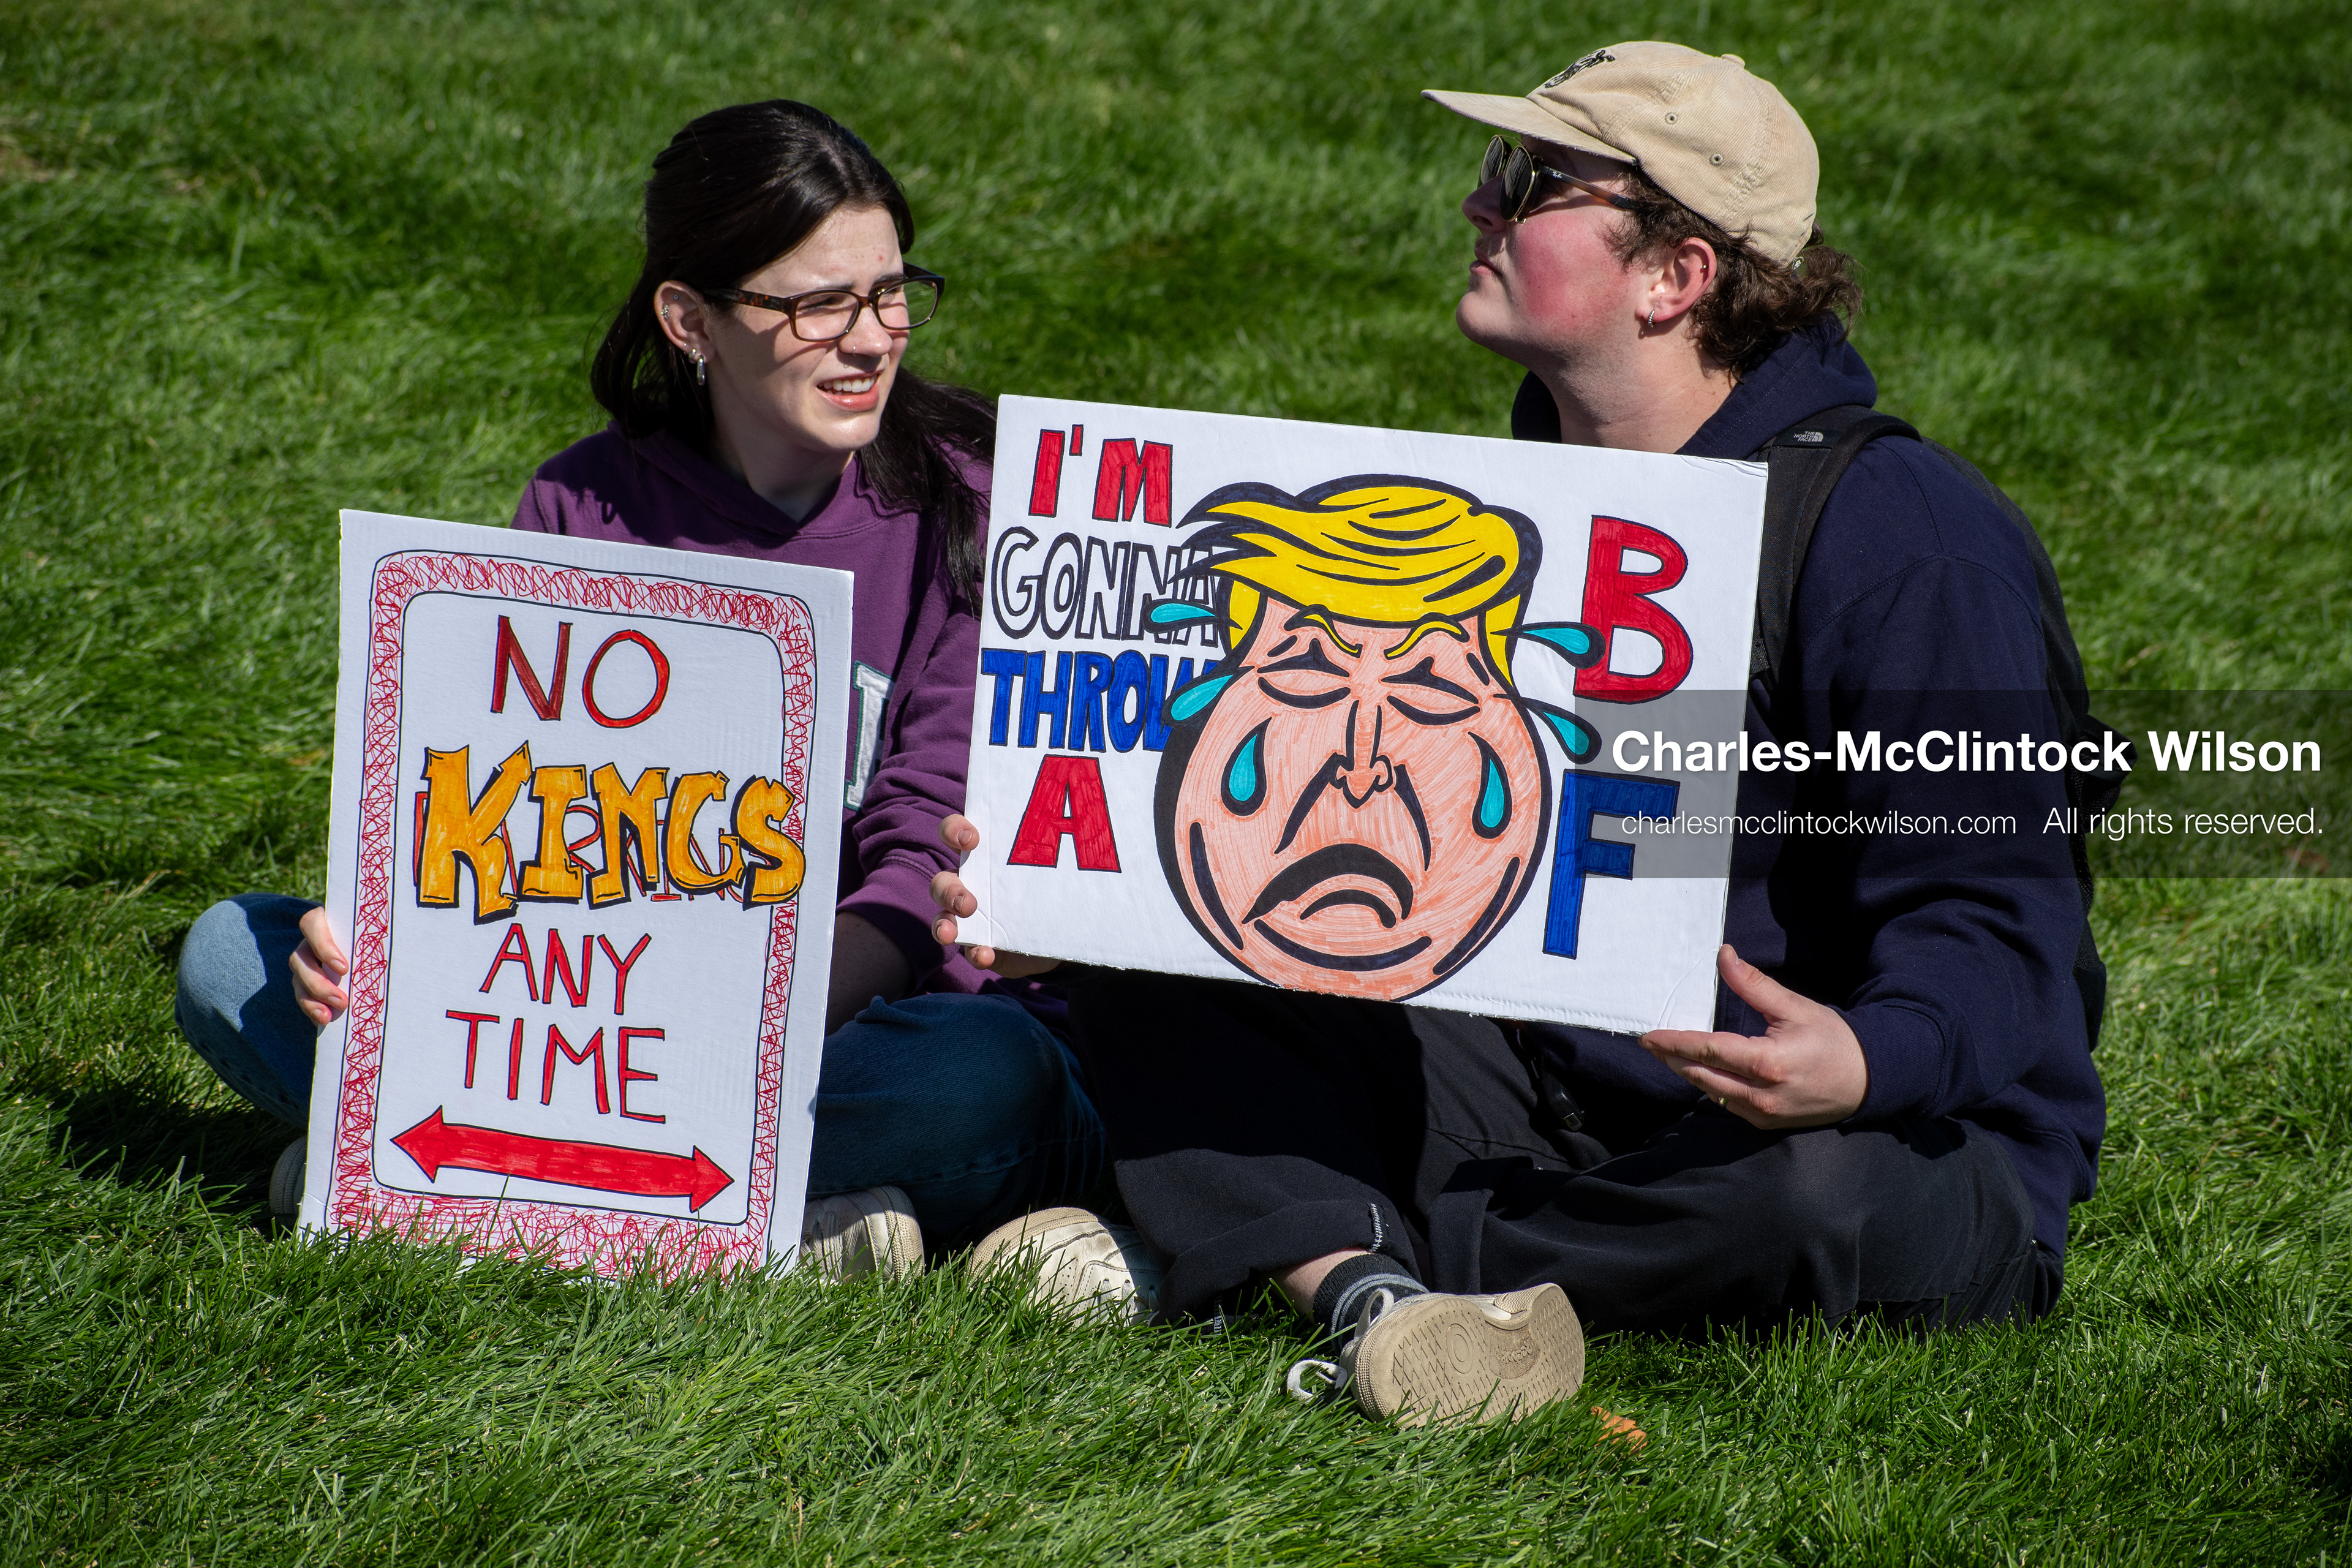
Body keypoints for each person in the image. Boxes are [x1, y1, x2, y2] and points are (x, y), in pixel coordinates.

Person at [932, 42, 2105, 1425]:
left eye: (1532, 181)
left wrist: (1860, 1057)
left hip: (1818, 1122)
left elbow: (2000, 918)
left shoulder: (1906, 537)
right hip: (1534, 1073)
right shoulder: (1519, 507)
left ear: (1678, 276)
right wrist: (1103, 888)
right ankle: (1377, 1298)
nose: (1480, 208)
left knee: (1827, 1197)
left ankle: (1321, 1249)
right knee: (1165, 956)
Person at [174, 100, 1105, 1272]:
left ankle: (472, 1181)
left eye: (891, 290)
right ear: (690, 319)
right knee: (227, 957)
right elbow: (510, 815)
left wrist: (739, 1037)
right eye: (819, 304)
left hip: (868, 1020)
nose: (873, 337)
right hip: (612, 1022)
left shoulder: (976, 505)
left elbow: (926, 862)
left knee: (984, 1077)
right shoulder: (580, 510)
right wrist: (369, 943)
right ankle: (747, 1216)